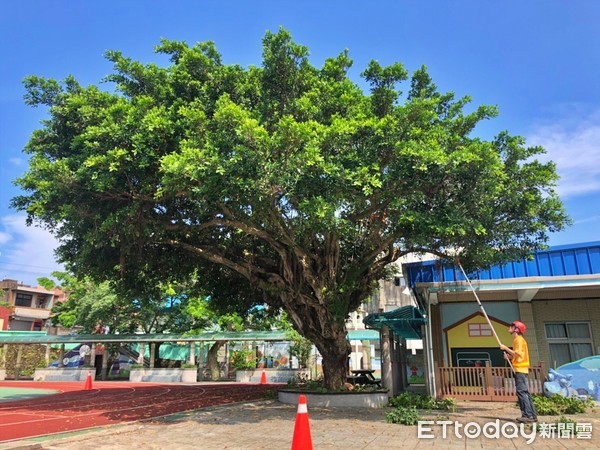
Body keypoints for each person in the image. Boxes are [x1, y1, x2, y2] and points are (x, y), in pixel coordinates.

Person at [500, 320, 538, 423]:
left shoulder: (519, 340)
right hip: (522, 369)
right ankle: (532, 415)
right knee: (525, 392)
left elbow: (518, 354)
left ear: (516, 329)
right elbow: (517, 355)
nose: (510, 327)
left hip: (520, 370)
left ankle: (527, 415)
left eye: (512, 326)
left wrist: (506, 348)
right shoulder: (519, 340)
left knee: (522, 392)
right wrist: (509, 356)